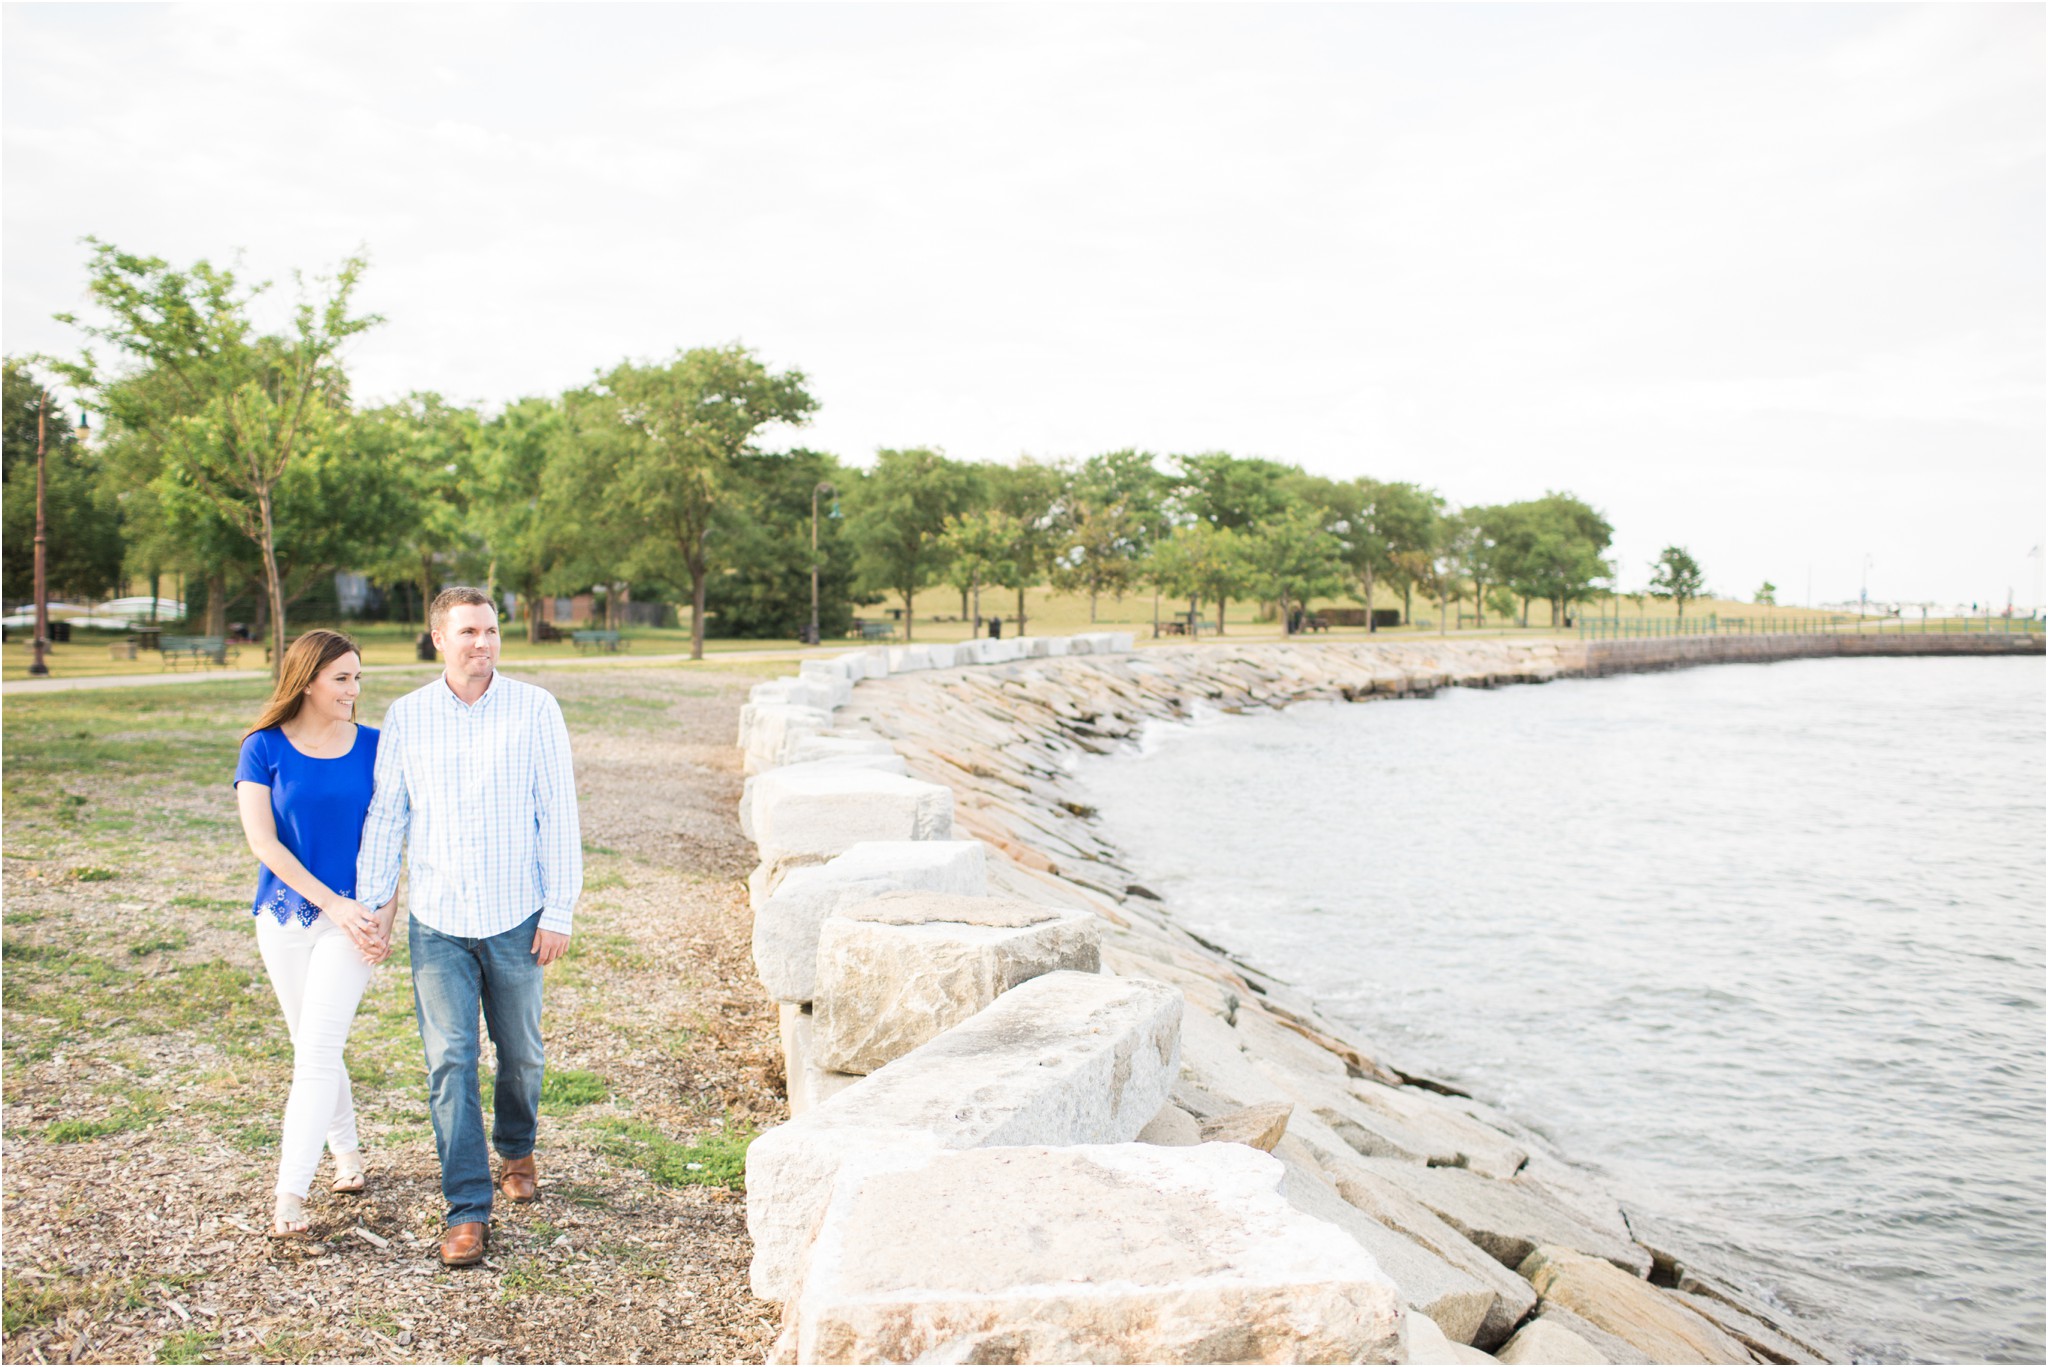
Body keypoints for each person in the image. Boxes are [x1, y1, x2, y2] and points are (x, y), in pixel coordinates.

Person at [357, 587, 582, 1267]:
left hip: (517, 917)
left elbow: (559, 813)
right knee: (451, 1061)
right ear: (439, 639)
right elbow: (388, 814)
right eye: (467, 632)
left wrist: (560, 908)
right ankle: (466, 1206)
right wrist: (371, 908)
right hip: (439, 922)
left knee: (522, 1054)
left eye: (490, 631)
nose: (481, 643)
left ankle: (516, 1147)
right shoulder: (408, 716)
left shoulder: (535, 708)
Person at [233, 629, 394, 1238]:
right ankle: (347, 1152)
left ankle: (290, 1191)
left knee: (319, 1050)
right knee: (311, 1045)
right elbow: (263, 842)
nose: (354, 690)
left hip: (352, 925)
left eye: (358, 677)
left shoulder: (377, 747)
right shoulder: (262, 747)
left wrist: (381, 913)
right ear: (306, 681)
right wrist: (331, 902)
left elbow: (388, 839)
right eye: (342, 679)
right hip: (283, 918)